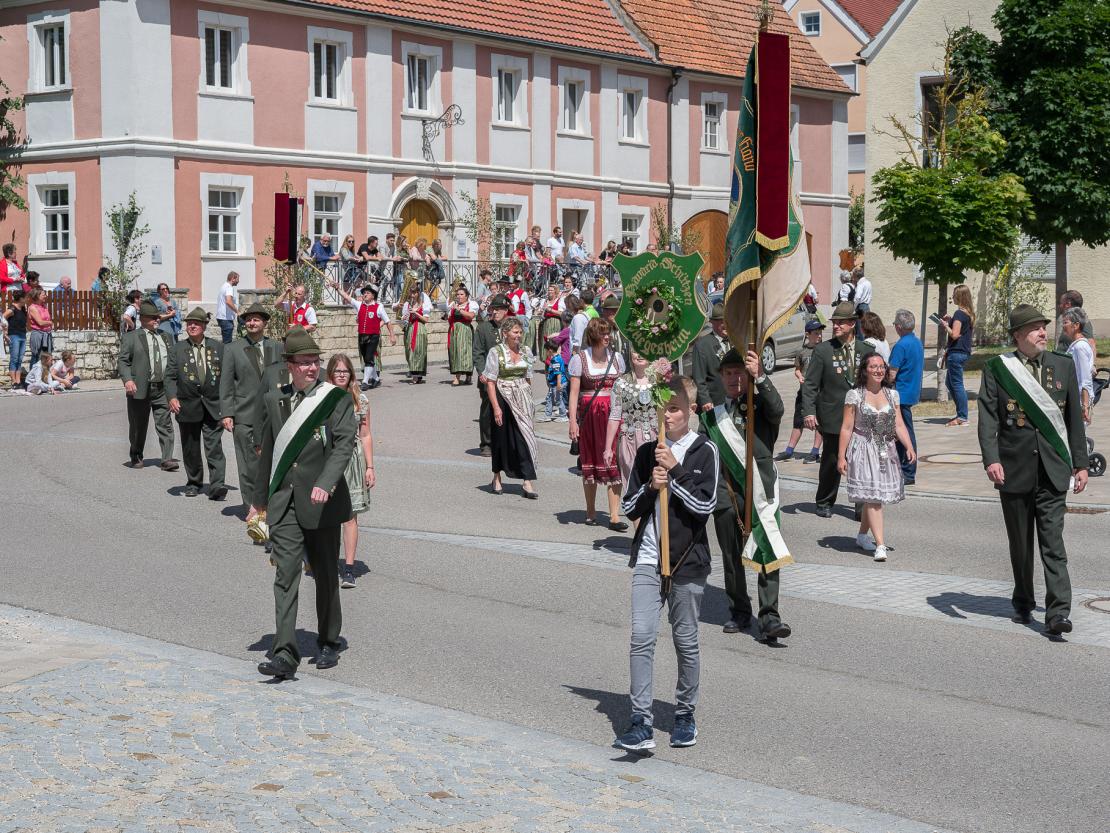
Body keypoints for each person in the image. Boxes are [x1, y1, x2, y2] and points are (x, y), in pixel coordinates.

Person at [615, 375, 719, 753]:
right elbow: (628, 507)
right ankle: (640, 720)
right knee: (641, 637)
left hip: (687, 561)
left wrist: (674, 473)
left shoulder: (704, 451)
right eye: (663, 409)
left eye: (674, 409)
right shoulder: (647, 452)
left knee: (685, 641)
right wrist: (650, 487)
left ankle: (684, 714)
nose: (667, 416)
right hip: (647, 557)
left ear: (690, 411)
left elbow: (704, 507)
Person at [977, 304, 1088, 636]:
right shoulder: (998, 369)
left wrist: (1080, 463)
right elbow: (988, 418)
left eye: (1044, 327)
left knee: (1053, 543)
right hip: (1013, 469)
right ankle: (1023, 600)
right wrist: (991, 458)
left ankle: (1058, 612)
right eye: (1036, 328)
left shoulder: (1063, 366)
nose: (1044, 332)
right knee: (1021, 546)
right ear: (1017, 336)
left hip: (1053, 469)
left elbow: (1073, 423)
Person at [253, 328, 357, 680]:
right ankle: (285, 652)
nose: (313, 368)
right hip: (285, 502)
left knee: (326, 575)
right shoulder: (275, 399)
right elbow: (267, 452)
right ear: (290, 365)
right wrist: (257, 502)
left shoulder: (335, 399)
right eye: (305, 363)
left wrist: (326, 483)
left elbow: (344, 445)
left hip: (322, 503)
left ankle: (329, 639)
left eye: (316, 362)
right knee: (285, 575)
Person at [704, 349, 791, 640]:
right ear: (720, 377)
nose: (733, 379)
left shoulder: (760, 407)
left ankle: (769, 616)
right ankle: (739, 611)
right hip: (727, 494)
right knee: (731, 557)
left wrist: (761, 377)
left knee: (767, 546)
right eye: (728, 373)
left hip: (761, 490)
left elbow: (777, 409)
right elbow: (707, 460)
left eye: (739, 372)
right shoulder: (711, 419)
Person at [800, 300, 875, 517]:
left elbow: (875, 382)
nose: (836, 326)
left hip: (861, 417)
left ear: (852, 324)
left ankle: (862, 506)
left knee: (861, 463)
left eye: (841, 323)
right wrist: (809, 412)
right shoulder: (824, 351)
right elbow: (811, 384)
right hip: (833, 416)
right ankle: (824, 501)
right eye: (834, 322)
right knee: (832, 460)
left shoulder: (866, 350)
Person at [838, 354, 915, 561]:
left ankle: (863, 536)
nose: (879, 370)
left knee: (873, 494)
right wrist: (841, 456)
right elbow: (846, 427)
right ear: (865, 370)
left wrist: (909, 446)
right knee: (873, 497)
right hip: (862, 449)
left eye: (882, 367)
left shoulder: (892, 395)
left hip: (885, 449)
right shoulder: (855, 395)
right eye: (874, 366)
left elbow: (899, 424)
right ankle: (880, 544)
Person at [219, 302, 283, 520]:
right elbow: (226, 384)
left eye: (256, 319)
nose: (251, 323)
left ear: (265, 323)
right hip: (244, 415)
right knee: (248, 466)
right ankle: (252, 508)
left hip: (273, 415)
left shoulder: (277, 347)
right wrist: (227, 413)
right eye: (248, 319)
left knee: (273, 463)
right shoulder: (232, 349)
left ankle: (272, 506)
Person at [568, 317, 627, 530]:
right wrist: (573, 421)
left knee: (615, 461)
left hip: (614, 414)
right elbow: (574, 393)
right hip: (590, 416)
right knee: (591, 460)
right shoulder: (580, 359)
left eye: (608, 332)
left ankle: (614, 515)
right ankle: (591, 511)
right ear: (593, 335)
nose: (607, 336)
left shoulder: (617, 358)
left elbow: (622, 388)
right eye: (603, 333)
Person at [166, 308, 227, 500]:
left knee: (214, 447)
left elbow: (227, 377)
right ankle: (194, 482)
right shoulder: (177, 349)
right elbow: (169, 376)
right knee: (190, 448)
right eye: (189, 323)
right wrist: (172, 397)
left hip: (213, 405)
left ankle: (217, 485)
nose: (192, 326)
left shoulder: (218, 347)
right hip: (187, 406)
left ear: (204, 326)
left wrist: (228, 405)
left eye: (197, 323)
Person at [325, 354, 374, 589]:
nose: (342, 374)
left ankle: (349, 568)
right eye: (337, 371)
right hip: (327, 459)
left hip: (352, 461)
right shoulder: (322, 398)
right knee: (326, 515)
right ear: (331, 374)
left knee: (350, 516)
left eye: (345, 371)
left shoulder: (360, 400)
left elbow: (365, 435)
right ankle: (324, 561)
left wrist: (370, 467)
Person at [117, 300, 178, 470]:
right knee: (138, 426)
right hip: (140, 388)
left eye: (157, 317)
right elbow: (123, 361)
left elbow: (172, 362)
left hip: (161, 389)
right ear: (142, 318)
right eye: (152, 318)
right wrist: (128, 379)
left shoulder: (166, 337)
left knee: (165, 423)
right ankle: (136, 454)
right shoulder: (131, 337)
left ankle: (167, 458)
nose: (156, 320)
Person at [484, 317, 539, 499]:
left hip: (521, 397)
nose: (518, 335)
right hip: (502, 396)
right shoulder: (496, 352)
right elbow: (490, 382)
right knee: (501, 439)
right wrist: (496, 407)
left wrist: (529, 401)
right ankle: (497, 476)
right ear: (505, 333)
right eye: (515, 332)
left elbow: (528, 377)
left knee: (525, 438)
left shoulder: (526, 351)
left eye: (520, 332)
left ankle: (527, 480)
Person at [605, 352, 661, 485]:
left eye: (644, 351)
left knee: (655, 483)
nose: (640, 355)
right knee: (632, 483)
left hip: (656, 439)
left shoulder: (660, 381)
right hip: (630, 440)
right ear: (630, 354)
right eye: (636, 351)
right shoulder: (621, 383)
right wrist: (608, 448)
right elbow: (614, 416)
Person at [775, 319, 825, 464]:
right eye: (816, 333)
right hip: (804, 392)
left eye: (820, 333)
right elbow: (797, 369)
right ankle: (789, 450)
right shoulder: (802, 352)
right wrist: (799, 376)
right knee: (798, 421)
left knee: (819, 422)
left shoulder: (824, 350)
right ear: (807, 334)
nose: (819, 336)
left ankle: (815, 452)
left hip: (820, 393)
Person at [332, 281, 397, 390]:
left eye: (367, 293)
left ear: (373, 296)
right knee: (366, 358)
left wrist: (392, 335)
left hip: (373, 336)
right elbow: (347, 297)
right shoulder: (359, 304)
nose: (364, 294)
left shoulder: (379, 307)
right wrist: (338, 289)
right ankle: (375, 379)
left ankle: (365, 381)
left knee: (368, 358)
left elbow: (387, 321)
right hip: (362, 336)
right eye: (364, 293)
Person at [888, 310, 924, 485]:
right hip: (911, 391)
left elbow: (892, 373)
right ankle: (902, 469)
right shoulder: (917, 342)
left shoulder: (901, 345)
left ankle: (908, 472)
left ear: (898, 326)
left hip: (900, 393)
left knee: (905, 433)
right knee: (902, 432)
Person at [473, 293, 512, 457]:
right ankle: (486, 443)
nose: (495, 312)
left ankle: (504, 442)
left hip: (507, 378)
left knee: (508, 411)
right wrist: (482, 372)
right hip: (489, 378)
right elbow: (478, 353)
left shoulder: (511, 328)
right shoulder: (483, 328)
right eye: (493, 309)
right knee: (488, 411)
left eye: (499, 309)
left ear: (506, 311)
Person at [938, 283, 975, 427]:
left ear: (959, 296)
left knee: (957, 384)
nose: (952, 297)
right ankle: (961, 413)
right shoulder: (967, 313)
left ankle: (962, 416)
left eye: (954, 295)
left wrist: (945, 325)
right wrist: (951, 320)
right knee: (950, 383)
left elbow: (954, 334)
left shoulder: (960, 313)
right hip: (962, 352)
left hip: (957, 353)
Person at [692, 302, 728, 413]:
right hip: (713, 404)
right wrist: (705, 400)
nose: (726, 324)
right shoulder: (702, 345)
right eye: (721, 321)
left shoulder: (736, 341)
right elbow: (698, 378)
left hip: (735, 402)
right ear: (712, 322)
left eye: (728, 320)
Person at [1061, 308, 1095, 423]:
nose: (1063, 326)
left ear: (1076, 325)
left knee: (1078, 438)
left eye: (1065, 322)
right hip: (1075, 399)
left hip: (1079, 402)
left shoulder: (1080, 347)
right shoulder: (1076, 345)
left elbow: (1085, 378)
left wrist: (1084, 406)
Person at [398, 284, 432, 383]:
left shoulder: (424, 304)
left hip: (420, 328)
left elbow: (426, 320)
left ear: (418, 293)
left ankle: (416, 376)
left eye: (414, 293)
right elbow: (406, 317)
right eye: (411, 293)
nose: (412, 295)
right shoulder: (408, 304)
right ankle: (416, 373)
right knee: (410, 351)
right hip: (410, 328)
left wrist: (416, 313)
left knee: (418, 351)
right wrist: (404, 317)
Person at [446, 285, 479, 386]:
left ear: (466, 296)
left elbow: (471, 316)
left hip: (465, 330)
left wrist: (459, 310)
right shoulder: (454, 305)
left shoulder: (471, 305)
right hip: (454, 330)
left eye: (461, 294)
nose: (459, 296)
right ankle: (462, 376)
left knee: (464, 353)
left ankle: (460, 377)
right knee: (455, 352)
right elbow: (449, 318)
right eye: (458, 294)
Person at [3, 289, 28, 389]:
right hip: (14, 336)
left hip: (22, 335)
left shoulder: (22, 309)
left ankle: (18, 381)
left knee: (19, 359)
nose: (26, 299)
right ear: (21, 298)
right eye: (25, 298)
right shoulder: (12, 309)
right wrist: (5, 333)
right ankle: (14, 382)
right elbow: (3, 318)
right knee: (14, 359)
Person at [26, 288, 54, 363]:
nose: (45, 296)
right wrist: (50, 323)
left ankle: (44, 374)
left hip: (46, 334)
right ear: (37, 296)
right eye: (43, 294)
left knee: (46, 358)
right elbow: (40, 322)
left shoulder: (44, 306)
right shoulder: (32, 307)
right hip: (38, 335)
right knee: (36, 357)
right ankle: (34, 374)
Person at [543, 343, 568, 422]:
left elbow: (558, 373)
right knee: (550, 399)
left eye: (546, 351)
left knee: (558, 399)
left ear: (550, 350)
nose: (546, 353)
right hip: (554, 383)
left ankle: (563, 416)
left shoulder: (556, 360)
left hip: (557, 383)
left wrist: (558, 384)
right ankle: (547, 415)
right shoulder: (555, 358)